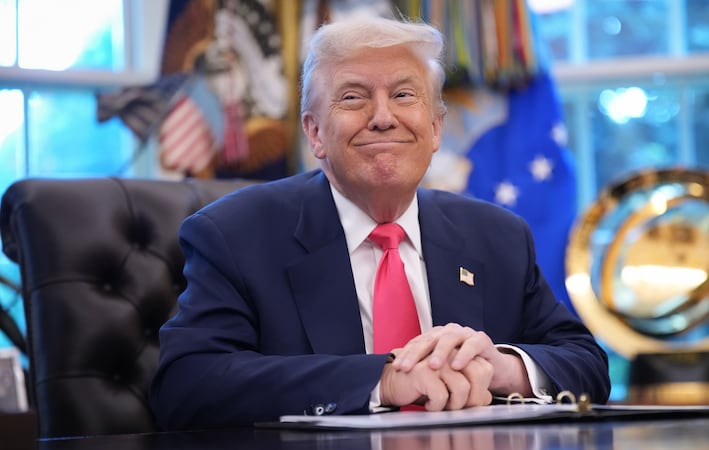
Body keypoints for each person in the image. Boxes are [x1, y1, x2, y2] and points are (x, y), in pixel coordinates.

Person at [150, 16, 610, 430]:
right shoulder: (234, 234)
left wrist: (501, 366)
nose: (383, 118)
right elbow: (187, 384)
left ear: (434, 129)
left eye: (404, 95)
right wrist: (383, 380)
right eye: (353, 98)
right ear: (314, 132)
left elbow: (586, 363)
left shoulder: (498, 236)